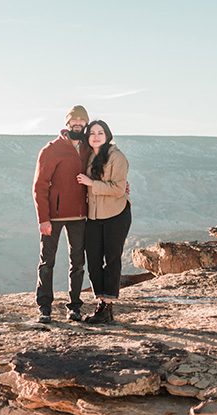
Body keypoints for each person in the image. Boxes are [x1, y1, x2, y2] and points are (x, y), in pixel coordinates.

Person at [31, 105, 91, 324]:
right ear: (67, 123)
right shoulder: (51, 149)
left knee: (78, 262)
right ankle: (44, 308)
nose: (78, 123)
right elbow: (39, 186)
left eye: (81, 120)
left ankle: (74, 307)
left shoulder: (88, 148)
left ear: (86, 123)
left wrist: (122, 185)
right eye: (74, 120)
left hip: (80, 216)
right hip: (53, 217)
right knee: (47, 262)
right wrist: (43, 218)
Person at [77, 120, 131, 324]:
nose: (96, 136)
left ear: (107, 135)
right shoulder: (90, 156)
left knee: (112, 260)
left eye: (100, 132)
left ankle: (106, 307)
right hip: (93, 216)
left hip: (116, 215)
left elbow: (118, 189)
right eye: (92, 133)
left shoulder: (117, 157)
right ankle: (100, 301)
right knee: (93, 260)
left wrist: (92, 183)